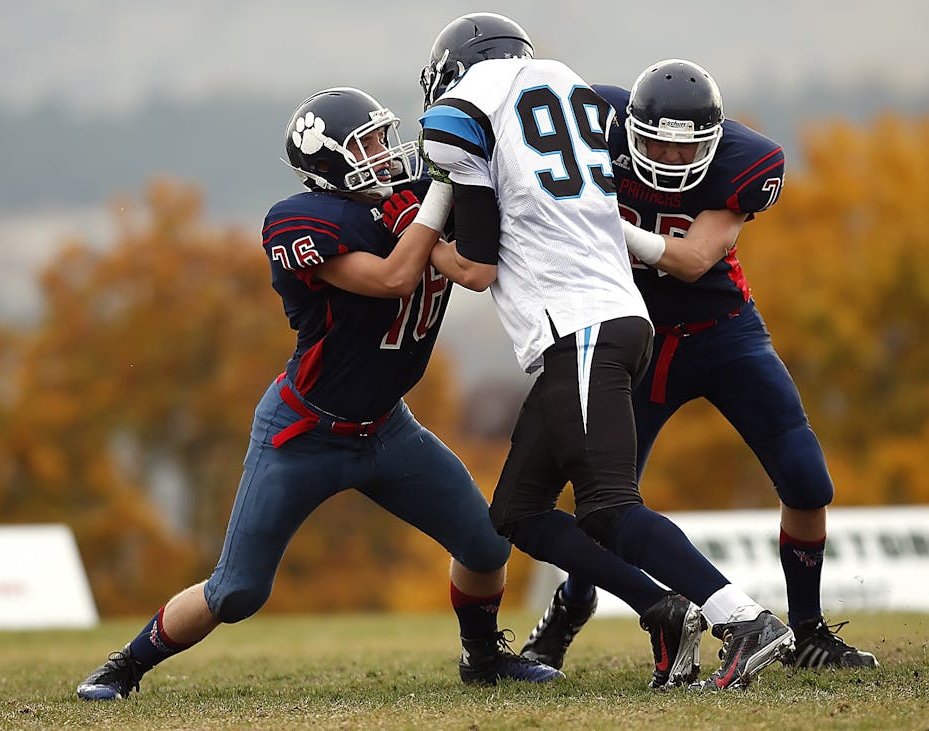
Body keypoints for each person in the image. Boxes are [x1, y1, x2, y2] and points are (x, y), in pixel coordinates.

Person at [75, 86, 564, 700]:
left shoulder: (410, 198)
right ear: (327, 164)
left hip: (388, 428)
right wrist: (442, 191)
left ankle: (482, 657)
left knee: (486, 543)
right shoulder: (304, 222)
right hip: (303, 432)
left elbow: (475, 264)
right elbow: (392, 277)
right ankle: (123, 667)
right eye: (368, 145)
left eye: (386, 138)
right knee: (238, 591)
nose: (386, 154)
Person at [418, 13, 794, 691]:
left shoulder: (467, 105)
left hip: (581, 325)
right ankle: (662, 611)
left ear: (455, 71)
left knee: (609, 506)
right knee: (519, 514)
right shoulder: (567, 85)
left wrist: (419, 237)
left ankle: (744, 619)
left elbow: (475, 266)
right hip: (607, 318)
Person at [521, 59, 878, 671]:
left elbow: (690, 260)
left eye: (687, 147)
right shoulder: (590, 121)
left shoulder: (748, 161)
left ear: (716, 140)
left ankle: (809, 630)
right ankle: (570, 606)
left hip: (723, 335)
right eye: (655, 139)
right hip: (632, 341)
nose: (669, 157)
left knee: (807, 480)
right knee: (602, 506)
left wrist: (599, 221)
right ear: (628, 126)